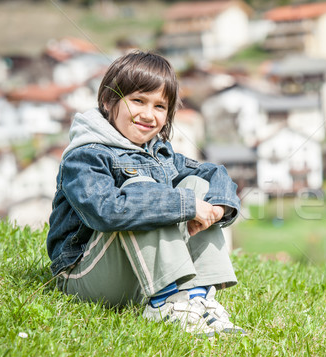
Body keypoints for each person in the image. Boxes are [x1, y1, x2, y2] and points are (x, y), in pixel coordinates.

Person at [46, 50, 244, 337]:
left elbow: (213, 173)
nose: (148, 115)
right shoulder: (86, 156)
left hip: (137, 278)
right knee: (143, 190)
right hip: (84, 277)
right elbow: (106, 210)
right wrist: (185, 205)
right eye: (138, 100)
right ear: (108, 101)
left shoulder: (159, 154)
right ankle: (165, 304)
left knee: (199, 187)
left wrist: (216, 208)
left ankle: (198, 298)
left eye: (159, 106)